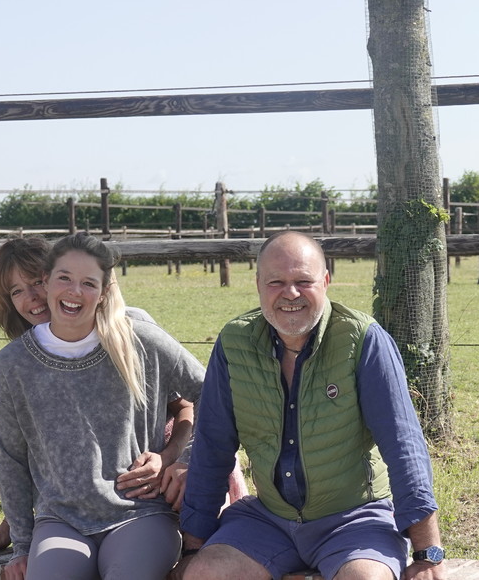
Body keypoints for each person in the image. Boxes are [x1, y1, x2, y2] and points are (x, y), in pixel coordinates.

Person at [177, 231, 446, 580]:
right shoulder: (234, 343)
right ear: (258, 284)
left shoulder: (362, 339)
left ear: (326, 281)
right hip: (268, 519)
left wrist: (428, 554)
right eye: (276, 282)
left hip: (356, 519)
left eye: (303, 281)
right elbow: (212, 445)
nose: (290, 293)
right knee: (206, 575)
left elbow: (403, 444)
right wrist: (193, 548)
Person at [0, 237, 249, 556]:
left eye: (38, 282)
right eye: (16, 291)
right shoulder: (24, 355)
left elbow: (188, 405)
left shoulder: (130, 327)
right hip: (92, 503)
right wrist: (14, 527)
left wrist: (172, 458)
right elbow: (30, 450)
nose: (33, 298)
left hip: (164, 467)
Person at [0, 233, 206, 580]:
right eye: (16, 291)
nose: (31, 298)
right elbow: (11, 456)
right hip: (61, 520)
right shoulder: (13, 363)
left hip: (140, 512)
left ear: (103, 290)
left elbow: (209, 396)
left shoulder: (138, 337)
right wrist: (22, 543)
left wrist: (181, 460)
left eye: (87, 282)